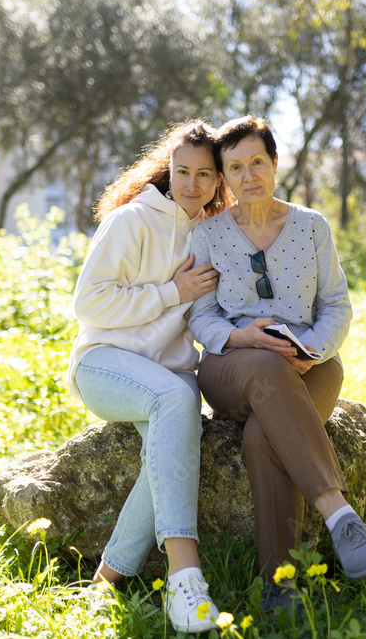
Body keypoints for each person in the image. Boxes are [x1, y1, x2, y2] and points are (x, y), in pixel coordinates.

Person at [188, 116, 366, 612]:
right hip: (231, 366)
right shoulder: (208, 234)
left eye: (257, 161)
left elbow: (337, 306)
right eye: (234, 167)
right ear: (224, 177)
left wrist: (311, 352)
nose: (248, 175)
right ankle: (340, 514)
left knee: (264, 434)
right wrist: (242, 335)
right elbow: (200, 315)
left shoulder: (311, 226)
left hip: (311, 366)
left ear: (275, 164)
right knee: (264, 366)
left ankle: (280, 585)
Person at [67, 120, 230, 633]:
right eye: (183, 171)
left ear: (218, 180)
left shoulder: (209, 233)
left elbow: (214, 313)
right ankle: (186, 578)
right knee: (176, 403)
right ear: (168, 168)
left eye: (205, 175)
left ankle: (106, 580)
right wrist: (170, 293)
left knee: (170, 447)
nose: (192, 185)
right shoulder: (132, 220)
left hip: (169, 376)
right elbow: (88, 301)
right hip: (105, 363)